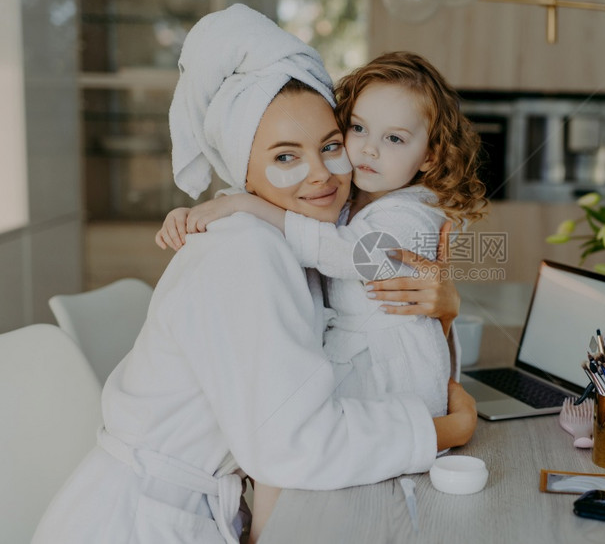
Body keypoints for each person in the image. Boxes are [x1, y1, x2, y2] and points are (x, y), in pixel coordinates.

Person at [32, 4, 476, 544]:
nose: (322, 174)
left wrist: (445, 306)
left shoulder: (308, 225)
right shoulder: (245, 253)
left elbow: (360, 263)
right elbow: (291, 444)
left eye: (331, 146)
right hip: (139, 525)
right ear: (243, 172)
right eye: (285, 157)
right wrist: (445, 431)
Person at [156, 51, 488, 540]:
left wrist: (244, 205)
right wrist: (212, 208)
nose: (368, 151)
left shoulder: (411, 213)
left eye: (394, 139)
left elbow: (351, 255)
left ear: (431, 156)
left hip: (389, 374)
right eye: (358, 129)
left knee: (333, 490)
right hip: (374, 371)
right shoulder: (350, 202)